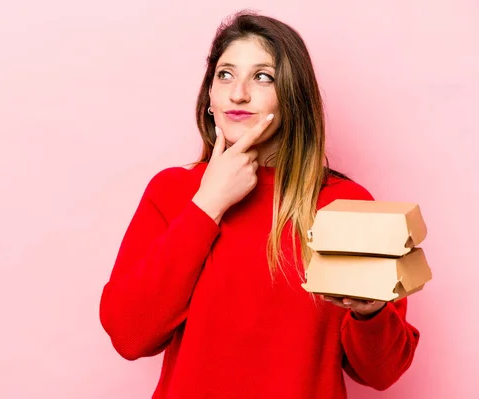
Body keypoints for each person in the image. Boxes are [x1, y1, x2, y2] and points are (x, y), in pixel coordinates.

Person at [99, 11, 420, 399]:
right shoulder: (172, 192)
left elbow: (381, 372)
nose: (239, 93)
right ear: (209, 100)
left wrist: (369, 311)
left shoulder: (344, 205)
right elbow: (130, 336)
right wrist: (209, 203)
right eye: (225, 75)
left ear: (293, 97)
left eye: (262, 76)